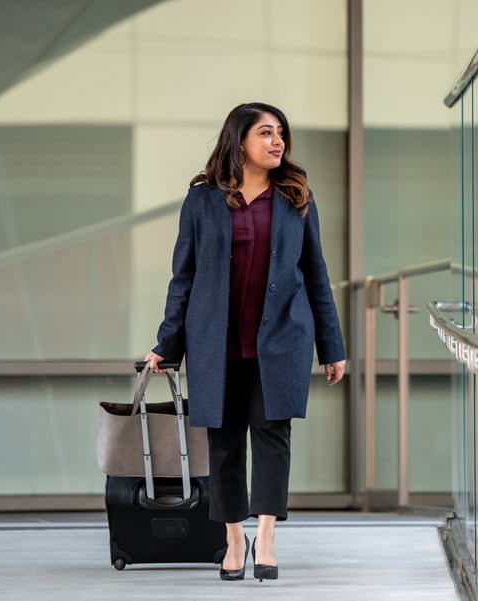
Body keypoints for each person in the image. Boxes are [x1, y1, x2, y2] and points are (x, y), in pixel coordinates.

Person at [144, 102, 346, 583]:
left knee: (273, 439)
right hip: (218, 345)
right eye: (266, 133)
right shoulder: (202, 201)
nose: (277, 142)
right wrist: (166, 343)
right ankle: (235, 537)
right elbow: (183, 278)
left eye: (281, 134)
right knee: (226, 444)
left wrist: (331, 345)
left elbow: (316, 276)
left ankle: (269, 538)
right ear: (239, 142)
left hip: (280, 344)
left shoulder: (297, 198)